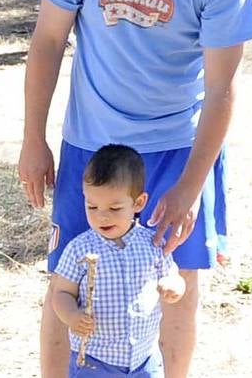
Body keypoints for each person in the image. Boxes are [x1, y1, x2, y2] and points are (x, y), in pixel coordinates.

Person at [19, 0, 252, 378]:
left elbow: (224, 88)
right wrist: (34, 139)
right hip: (91, 144)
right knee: (66, 278)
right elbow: (48, 41)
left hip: (175, 145)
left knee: (174, 284)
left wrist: (191, 184)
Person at [50, 144, 185, 378]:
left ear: (139, 203)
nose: (102, 215)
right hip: (95, 361)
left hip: (144, 360)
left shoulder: (153, 244)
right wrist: (71, 316)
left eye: (114, 208)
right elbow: (61, 293)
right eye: (92, 206)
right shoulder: (79, 248)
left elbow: (172, 274)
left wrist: (174, 285)